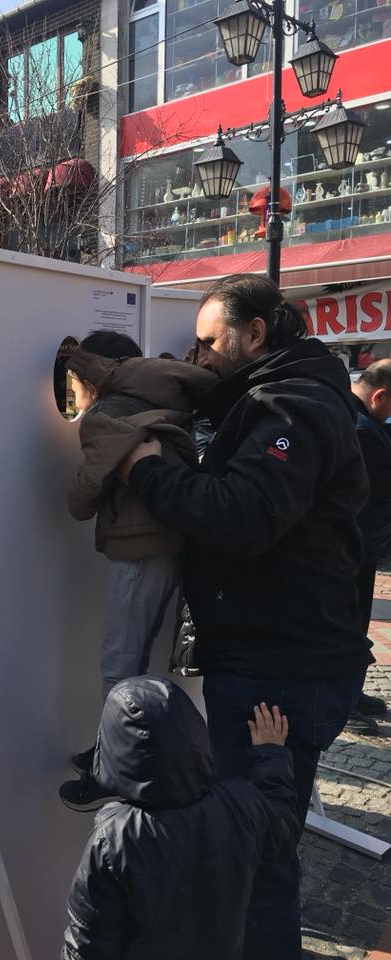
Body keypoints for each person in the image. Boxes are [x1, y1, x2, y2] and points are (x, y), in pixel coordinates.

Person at [119, 274, 371, 960]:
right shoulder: (286, 397)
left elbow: (242, 516)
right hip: (278, 659)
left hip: (278, 674)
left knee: (257, 857)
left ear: (255, 334)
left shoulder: (289, 406)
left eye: (209, 342)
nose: (198, 358)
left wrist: (148, 471)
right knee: (258, 845)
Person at [59, 332, 216, 811]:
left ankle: (112, 772)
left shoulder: (106, 415)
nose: (73, 396)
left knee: (119, 665)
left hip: (138, 550)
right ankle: (116, 754)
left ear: (90, 377)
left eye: (73, 385)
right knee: (136, 657)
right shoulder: (163, 394)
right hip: (170, 543)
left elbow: (81, 500)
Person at [61, 678, 299, 960]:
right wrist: (271, 754)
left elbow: (86, 947)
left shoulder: (114, 838)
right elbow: (283, 826)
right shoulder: (240, 804)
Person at [346, 360, 391, 733]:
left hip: (357, 546)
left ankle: (350, 692)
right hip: (350, 548)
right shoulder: (363, 431)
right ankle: (341, 701)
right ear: (379, 396)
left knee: (355, 623)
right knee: (346, 625)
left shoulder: (353, 418)